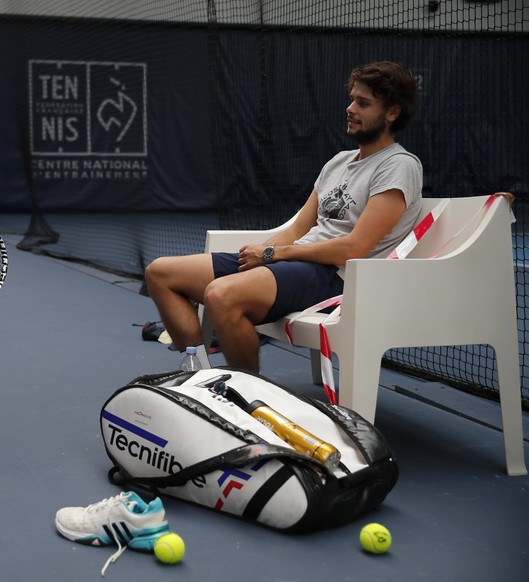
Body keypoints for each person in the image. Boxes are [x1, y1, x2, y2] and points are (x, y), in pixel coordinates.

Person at [145, 61, 423, 373]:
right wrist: (260, 255)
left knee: (221, 294)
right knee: (161, 273)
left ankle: (248, 393)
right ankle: (197, 369)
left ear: (392, 113)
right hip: (297, 263)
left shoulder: (399, 166)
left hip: (337, 278)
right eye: (351, 99)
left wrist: (273, 254)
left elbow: (354, 248)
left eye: (363, 103)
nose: (350, 108)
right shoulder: (338, 162)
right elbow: (297, 229)